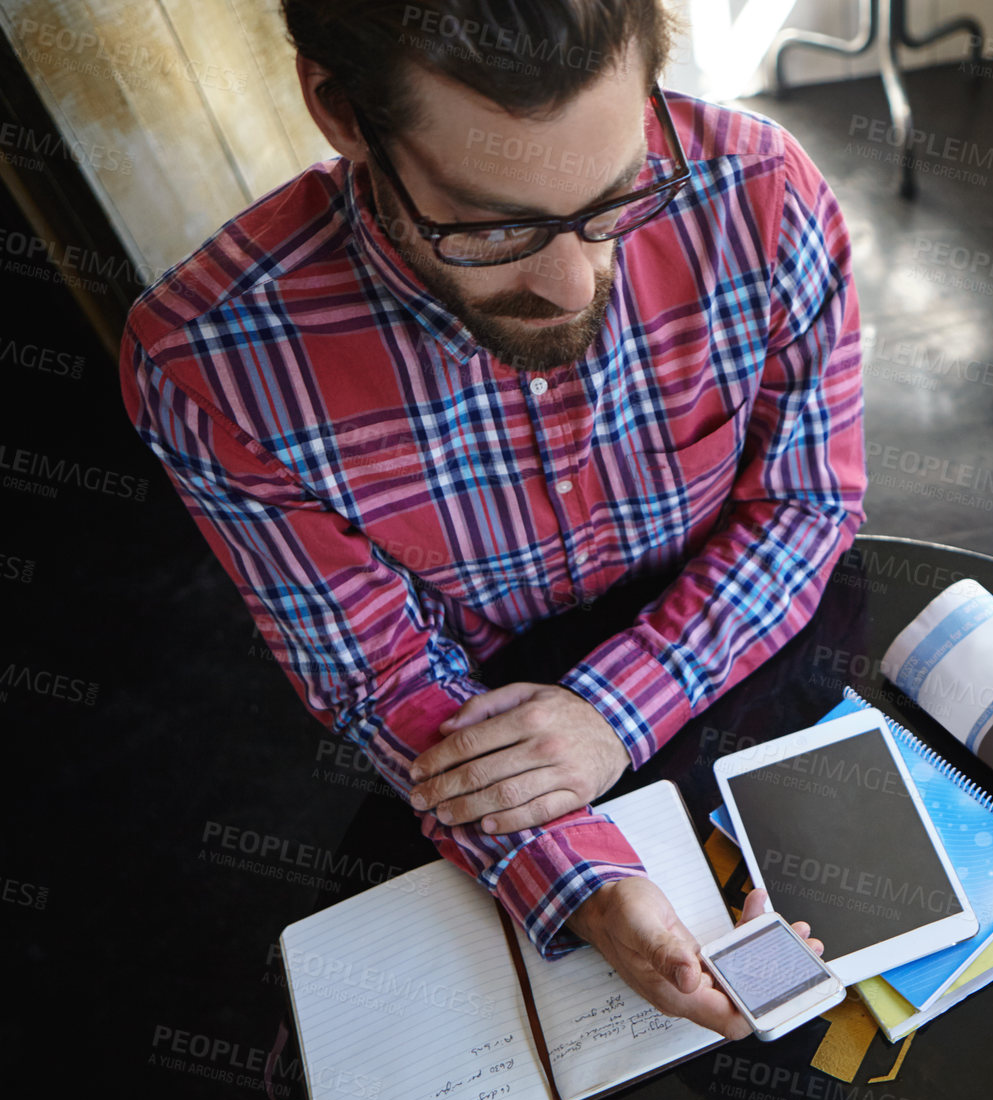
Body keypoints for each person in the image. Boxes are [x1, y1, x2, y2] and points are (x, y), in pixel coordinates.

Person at [119, 0, 862, 1039]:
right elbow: (380, 675)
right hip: (480, 730)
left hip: (762, 690)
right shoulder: (213, 366)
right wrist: (585, 882)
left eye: (616, 198)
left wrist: (616, 709)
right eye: (491, 224)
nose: (573, 285)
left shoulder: (760, 191)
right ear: (338, 108)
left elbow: (804, 500)